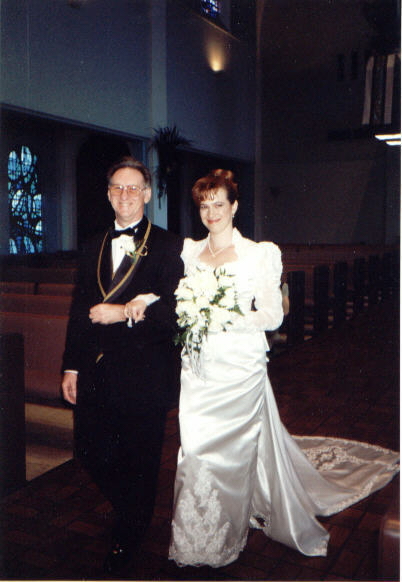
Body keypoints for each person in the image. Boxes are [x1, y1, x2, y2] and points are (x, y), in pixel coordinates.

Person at [168, 169, 399, 568]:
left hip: (239, 368)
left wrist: (224, 317)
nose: (211, 213)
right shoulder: (189, 252)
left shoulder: (260, 254)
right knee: (195, 450)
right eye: (204, 206)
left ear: (235, 206)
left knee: (230, 452)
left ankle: (222, 535)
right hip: (199, 368)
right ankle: (197, 530)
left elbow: (273, 315)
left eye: (219, 204)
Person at [61, 156, 183, 574]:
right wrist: (71, 367)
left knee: (140, 460)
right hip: (96, 371)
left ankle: (129, 533)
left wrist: (124, 313)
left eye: (134, 188)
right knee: (89, 449)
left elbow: (175, 313)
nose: (125, 195)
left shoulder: (169, 245)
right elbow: (79, 309)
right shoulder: (93, 244)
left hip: (144, 373)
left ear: (147, 194)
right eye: (118, 187)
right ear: (108, 193)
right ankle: (133, 509)